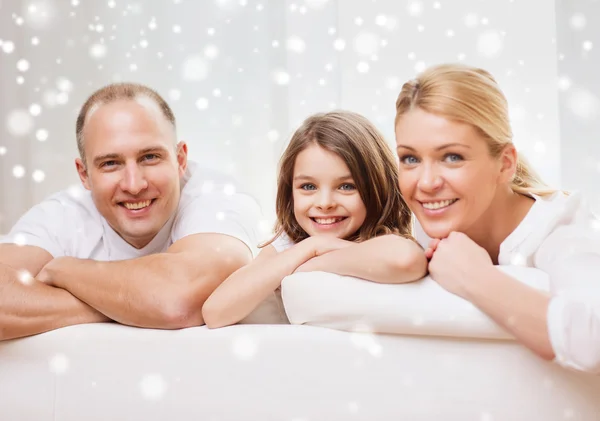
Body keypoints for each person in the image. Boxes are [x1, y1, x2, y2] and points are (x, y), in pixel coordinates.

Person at [0, 82, 261, 341]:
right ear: (84, 174)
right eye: (111, 163)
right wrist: (133, 306)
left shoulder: (219, 199)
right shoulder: (62, 215)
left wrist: (63, 270)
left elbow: (176, 303)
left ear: (180, 160)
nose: (134, 185)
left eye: (149, 157)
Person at [394, 63, 600, 374]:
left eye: (452, 157)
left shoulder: (562, 231)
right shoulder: (429, 218)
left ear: (504, 164)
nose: (425, 183)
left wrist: (474, 278)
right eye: (410, 158)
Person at [202, 111, 428, 328]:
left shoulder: (384, 240)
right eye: (308, 186)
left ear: (377, 186)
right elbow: (215, 312)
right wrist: (311, 246)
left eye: (346, 186)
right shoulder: (289, 246)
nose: (325, 202)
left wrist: (315, 257)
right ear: (290, 191)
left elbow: (406, 260)